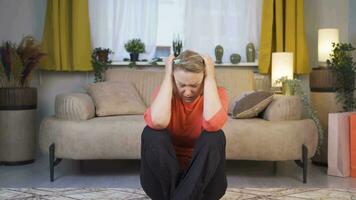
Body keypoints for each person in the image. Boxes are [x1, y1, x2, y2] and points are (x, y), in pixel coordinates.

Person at [140, 50, 228, 200]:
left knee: (215, 136)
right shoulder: (165, 93)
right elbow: (157, 122)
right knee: (151, 133)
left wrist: (210, 78)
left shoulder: (217, 93)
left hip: (203, 183)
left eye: (194, 85)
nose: (187, 92)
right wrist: (168, 76)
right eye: (181, 85)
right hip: (164, 181)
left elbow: (213, 124)